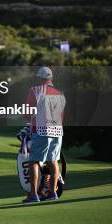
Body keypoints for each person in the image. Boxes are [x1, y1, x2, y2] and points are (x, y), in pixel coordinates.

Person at [22, 66, 66, 203]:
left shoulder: (35, 91)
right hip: (57, 130)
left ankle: (33, 195)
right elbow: (62, 116)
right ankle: (52, 193)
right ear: (51, 78)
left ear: (39, 78)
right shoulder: (60, 93)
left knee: (34, 161)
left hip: (41, 130)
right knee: (53, 161)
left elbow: (27, 113)